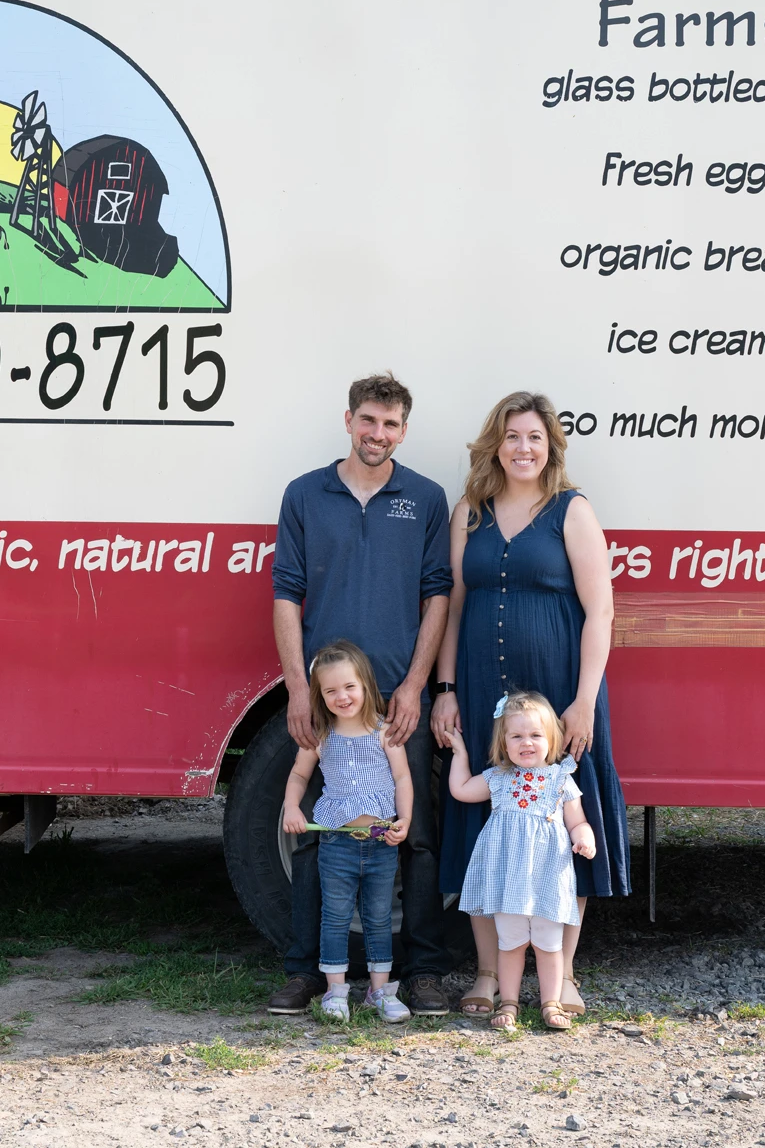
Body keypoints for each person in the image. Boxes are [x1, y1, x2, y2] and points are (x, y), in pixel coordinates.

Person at [432, 390, 630, 1019]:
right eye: (513, 436)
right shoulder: (470, 512)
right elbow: (455, 607)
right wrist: (445, 691)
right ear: (497, 443)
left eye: (535, 438)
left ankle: (562, 976)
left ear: (551, 449)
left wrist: (584, 702)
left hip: (558, 699)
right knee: (483, 831)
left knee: (562, 832)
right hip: (481, 690)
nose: (523, 448)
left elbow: (600, 610)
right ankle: (489, 974)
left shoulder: (572, 510)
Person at [267, 373, 456, 1018]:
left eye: (392, 425)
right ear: (348, 420)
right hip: (330, 704)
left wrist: (414, 685)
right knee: (323, 834)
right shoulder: (304, 495)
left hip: (400, 700)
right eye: (369, 421)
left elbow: (438, 594)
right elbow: (286, 593)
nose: (379, 435)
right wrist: (298, 690)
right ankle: (306, 973)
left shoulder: (426, 498)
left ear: (404, 430)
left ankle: (424, 971)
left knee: (417, 834)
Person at [280, 641, 415, 1023]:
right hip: (336, 844)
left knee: (377, 917)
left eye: (349, 687)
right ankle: (335, 992)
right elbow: (298, 774)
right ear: (319, 696)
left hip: (380, 842)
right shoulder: (322, 736)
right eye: (331, 690)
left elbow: (402, 778)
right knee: (336, 916)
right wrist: (292, 806)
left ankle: (379, 992)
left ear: (366, 685)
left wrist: (404, 820)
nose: (342, 696)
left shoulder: (385, 732)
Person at [445, 690, 595, 1031]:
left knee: (548, 944)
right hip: (508, 879)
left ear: (551, 739)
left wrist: (585, 837)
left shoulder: (560, 778)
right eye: (517, 736)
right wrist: (460, 753)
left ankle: (551, 1002)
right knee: (510, 943)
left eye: (535, 735)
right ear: (504, 742)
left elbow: (577, 820)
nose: (526, 743)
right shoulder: (499, 777)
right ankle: (509, 1002)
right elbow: (461, 790)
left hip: (546, 877)